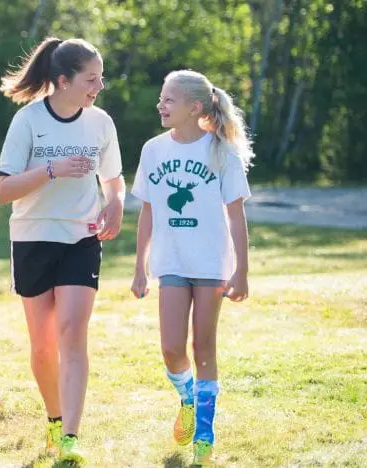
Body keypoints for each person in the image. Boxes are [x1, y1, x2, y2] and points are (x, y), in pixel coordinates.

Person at [0, 36, 125, 465]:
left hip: (81, 238)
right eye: (91, 79)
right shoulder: (28, 121)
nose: (98, 87)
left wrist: (116, 204)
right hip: (33, 237)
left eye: (100, 78)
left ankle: (69, 435)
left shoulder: (101, 123)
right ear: (62, 80)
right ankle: (53, 419)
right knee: (43, 346)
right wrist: (51, 170)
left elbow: (113, 180)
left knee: (72, 330)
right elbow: (2, 190)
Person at [130, 69, 252, 467]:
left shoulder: (221, 152)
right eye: (162, 98)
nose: (161, 105)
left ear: (194, 107)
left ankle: (204, 432)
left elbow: (236, 216)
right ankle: (186, 398)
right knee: (170, 348)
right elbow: (147, 212)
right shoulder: (153, 150)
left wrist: (242, 272)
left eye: (169, 100)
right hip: (172, 261)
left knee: (203, 347)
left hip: (211, 262)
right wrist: (139, 266)